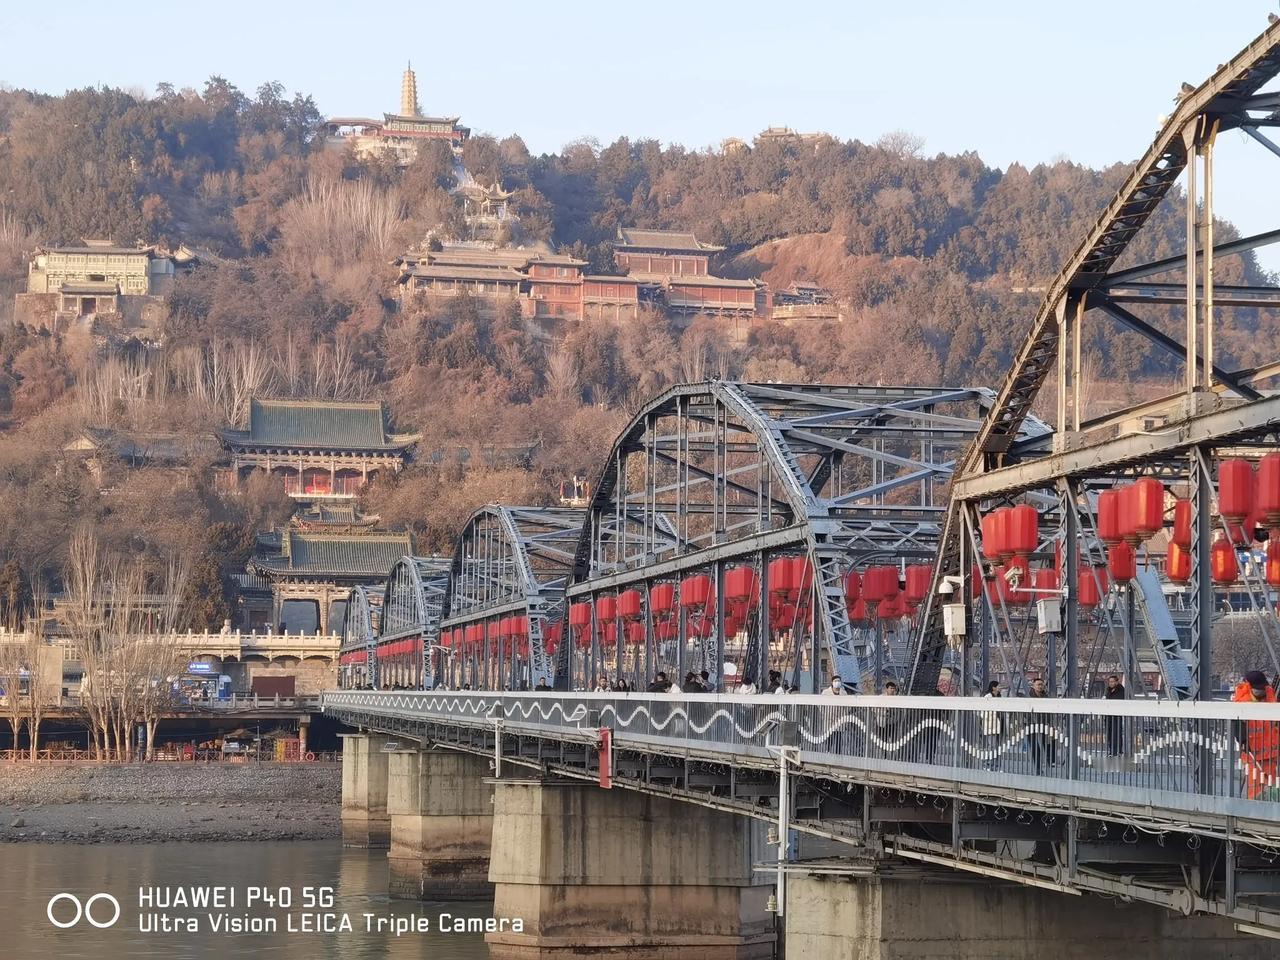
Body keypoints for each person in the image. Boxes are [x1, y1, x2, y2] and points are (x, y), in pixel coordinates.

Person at [1233, 670, 1278, 800]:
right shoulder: (1242, 702)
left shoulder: (1270, 695)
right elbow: (1237, 723)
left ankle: (1270, 813)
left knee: (1272, 788)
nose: (1261, 691)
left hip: (1271, 753)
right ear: (1249, 686)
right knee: (1256, 788)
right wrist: (1242, 740)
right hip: (1253, 754)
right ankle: (1255, 814)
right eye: (1257, 689)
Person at [1027, 676, 1056, 773]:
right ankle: (1038, 768)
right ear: (1033, 686)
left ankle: (1049, 763)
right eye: (1038, 685)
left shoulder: (1046, 697)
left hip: (1044, 725)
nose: (1040, 687)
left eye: (1042, 685)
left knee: (1048, 744)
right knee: (1035, 747)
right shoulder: (1028, 697)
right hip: (1031, 725)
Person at [980, 680, 1004, 770]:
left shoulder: (999, 696)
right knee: (992, 745)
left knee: (997, 745)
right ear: (994, 687)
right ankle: (988, 763)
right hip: (991, 724)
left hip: (998, 724)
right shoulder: (988, 696)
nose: (1000, 688)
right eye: (999, 686)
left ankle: (995, 764)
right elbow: (983, 711)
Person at [1104, 674, 1126, 757]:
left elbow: (1118, 700)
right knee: (1109, 733)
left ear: (1117, 682)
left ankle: (1117, 751)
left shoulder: (1120, 690)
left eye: (1112, 681)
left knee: (1116, 733)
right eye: (1110, 682)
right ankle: (1111, 750)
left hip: (1116, 715)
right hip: (1109, 715)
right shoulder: (1108, 690)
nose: (1111, 683)